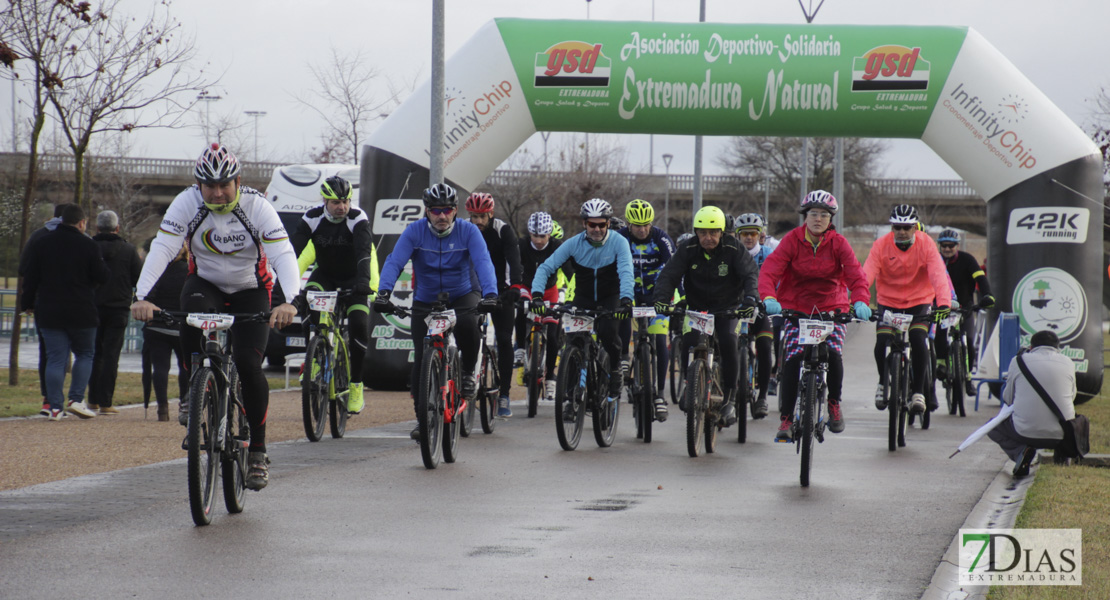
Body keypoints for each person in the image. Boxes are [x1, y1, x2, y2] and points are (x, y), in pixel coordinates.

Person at [131, 143, 300, 491]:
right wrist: (142, 296)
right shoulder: (187, 203)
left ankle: (257, 452)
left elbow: (282, 254)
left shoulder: (257, 206)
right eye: (210, 186)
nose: (218, 193)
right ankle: (195, 392)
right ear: (199, 185)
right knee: (192, 317)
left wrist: (288, 301)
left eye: (225, 185)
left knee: (249, 365)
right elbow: (163, 247)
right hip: (204, 282)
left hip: (251, 288)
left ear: (238, 181)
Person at [373, 183, 500, 439]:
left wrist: (490, 294)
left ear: (454, 211)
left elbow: (483, 262)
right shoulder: (414, 232)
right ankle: (423, 419)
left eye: (447, 210)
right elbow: (395, 261)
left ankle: (466, 374)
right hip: (426, 299)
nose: (441, 216)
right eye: (435, 210)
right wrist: (384, 292)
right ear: (427, 211)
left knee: (468, 327)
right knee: (421, 357)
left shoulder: (468, 231)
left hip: (462, 294)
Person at [758, 191, 871, 441]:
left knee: (833, 354)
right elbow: (770, 270)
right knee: (793, 358)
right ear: (805, 216)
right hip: (796, 308)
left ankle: (833, 404)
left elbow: (856, 275)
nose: (817, 219)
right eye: (813, 214)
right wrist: (769, 297)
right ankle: (786, 419)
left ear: (830, 219)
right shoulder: (792, 240)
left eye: (823, 215)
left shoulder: (839, 243)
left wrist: (861, 300)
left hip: (832, 309)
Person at [654, 206, 759, 427]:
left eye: (713, 233)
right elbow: (669, 275)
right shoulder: (687, 248)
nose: (708, 238)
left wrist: (750, 300)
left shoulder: (734, 248)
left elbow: (750, 275)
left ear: (721, 232)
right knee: (688, 342)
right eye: (702, 233)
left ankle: (729, 397)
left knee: (730, 342)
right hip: (697, 307)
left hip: (728, 307)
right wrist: (662, 299)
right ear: (696, 232)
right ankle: (688, 384)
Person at [530, 198, 634, 418]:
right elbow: (546, 268)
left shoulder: (618, 242)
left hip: (611, 296)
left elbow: (626, 272)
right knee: (573, 343)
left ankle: (615, 369)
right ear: (584, 223)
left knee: (608, 333)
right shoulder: (574, 243)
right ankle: (571, 398)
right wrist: (537, 296)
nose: (596, 229)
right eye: (591, 224)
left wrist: (626, 300)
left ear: (607, 224)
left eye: (601, 225)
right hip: (583, 297)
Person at [290, 175, 378, 416]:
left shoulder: (357, 218)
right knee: (309, 300)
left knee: (359, 324)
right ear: (325, 201)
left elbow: (363, 252)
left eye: (346, 201)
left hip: (354, 279)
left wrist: (363, 282)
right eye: (336, 202)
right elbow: (292, 253)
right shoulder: (312, 218)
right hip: (325, 275)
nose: (342, 207)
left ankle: (356, 385)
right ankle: (315, 357)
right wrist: (287, 286)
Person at [21, 204, 111, 420]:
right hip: (81, 309)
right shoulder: (88, 245)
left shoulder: (42, 243)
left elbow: (30, 277)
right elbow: (103, 276)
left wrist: (28, 303)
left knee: (55, 359)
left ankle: (54, 406)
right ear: (81, 223)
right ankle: (76, 399)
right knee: (85, 354)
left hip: (49, 309)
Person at [864, 204, 952, 416]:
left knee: (918, 338)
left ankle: (919, 392)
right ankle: (883, 382)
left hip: (919, 301)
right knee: (881, 342)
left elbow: (938, 276)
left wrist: (943, 304)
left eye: (907, 227)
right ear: (892, 228)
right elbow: (866, 274)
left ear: (915, 228)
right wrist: (858, 301)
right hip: (889, 301)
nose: (902, 231)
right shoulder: (880, 246)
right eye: (897, 227)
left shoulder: (927, 245)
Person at [616, 198, 675, 422]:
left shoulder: (661, 238)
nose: (642, 229)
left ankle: (660, 395)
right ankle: (623, 356)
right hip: (629, 293)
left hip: (655, 296)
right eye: (637, 225)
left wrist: (679, 296)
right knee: (622, 311)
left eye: (646, 225)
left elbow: (674, 268)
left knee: (660, 340)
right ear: (629, 224)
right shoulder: (620, 237)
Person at [464, 192, 523, 417]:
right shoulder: (465, 230)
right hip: (473, 289)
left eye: (481, 216)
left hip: (501, 290)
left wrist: (516, 286)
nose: (477, 221)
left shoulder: (502, 230)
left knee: (504, 339)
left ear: (490, 213)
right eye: (473, 216)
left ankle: (505, 394)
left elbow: (514, 260)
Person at [987, 330, 1076, 477]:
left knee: (993, 426)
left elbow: (1008, 399)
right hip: (1061, 433)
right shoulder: (1068, 362)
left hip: (1025, 432)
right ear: (1058, 347)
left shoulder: (1018, 361)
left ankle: (1020, 452)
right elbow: (1072, 397)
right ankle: (1062, 457)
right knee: (1069, 419)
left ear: (1031, 346)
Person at [87, 210, 143, 415]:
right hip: (118, 308)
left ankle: (92, 399)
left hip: (93, 306)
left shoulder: (89, 247)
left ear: (97, 227)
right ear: (117, 228)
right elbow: (139, 279)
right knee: (112, 355)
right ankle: (106, 402)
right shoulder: (128, 251)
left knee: (94, 353)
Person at [515, 211, 574, 401]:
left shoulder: (558, 246)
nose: (539, 240)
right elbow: (515, 268)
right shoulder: (522, 245)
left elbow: (570, 272)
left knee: (554, 336)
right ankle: (520, 348)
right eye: (535, 236)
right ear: (529, 234)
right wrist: (515, 291)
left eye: (543, 236)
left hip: (550, 291)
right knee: (521, 310)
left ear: (549, 234)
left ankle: (550, 378)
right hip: (527, 287)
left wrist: (573, 296)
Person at [20, 203, 68, 416]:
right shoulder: (80, 239)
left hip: (44, 300)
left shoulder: (38, 237)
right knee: (77, 351)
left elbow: (24, 269)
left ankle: (49, 399)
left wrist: (27, 302)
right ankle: (74, 397)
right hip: (73, 302)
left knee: (48, 351)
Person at [935, 228, 994, 395]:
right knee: (940, 334)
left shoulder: (967, 260)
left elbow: (980, 278)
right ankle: (942, 363)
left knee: (968, 340)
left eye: (951, 246)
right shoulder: (935, 260)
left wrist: (988, 295)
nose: (947, 249)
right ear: (939, 246)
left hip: (964, 307)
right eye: (944, 246)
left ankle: (968, 378)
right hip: (942, 307)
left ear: (957, 245)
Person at [734, 213, 776, 418]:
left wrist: (773, 301)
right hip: (736, 309)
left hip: (761, 309)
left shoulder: (768, 254)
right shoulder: (732, 253)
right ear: (738, 235)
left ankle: (762, 398)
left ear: (760, 235)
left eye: (752, 233)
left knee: (765, 345)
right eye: (744, 234)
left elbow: (777, 280)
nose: (748, 238)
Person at [141, 244, 190, 421]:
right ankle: (185, 403)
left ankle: (162, 408)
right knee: (185, 367)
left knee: (160, 367)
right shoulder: (190, 272)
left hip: (157, 324)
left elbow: (148, 295)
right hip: (182, 325)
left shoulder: (158, 270)